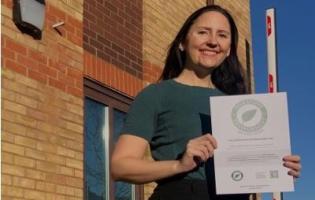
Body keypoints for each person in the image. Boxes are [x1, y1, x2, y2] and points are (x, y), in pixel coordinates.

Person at [111, 5, 301, 200]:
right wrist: (179, 165)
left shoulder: (237, 106)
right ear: (182, 43)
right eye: (203, 32)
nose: (212, 42)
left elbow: (247, 177)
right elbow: (120, 166)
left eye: (222, 35)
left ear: (228, 51)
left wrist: (277, 170)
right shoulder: (156, 95)